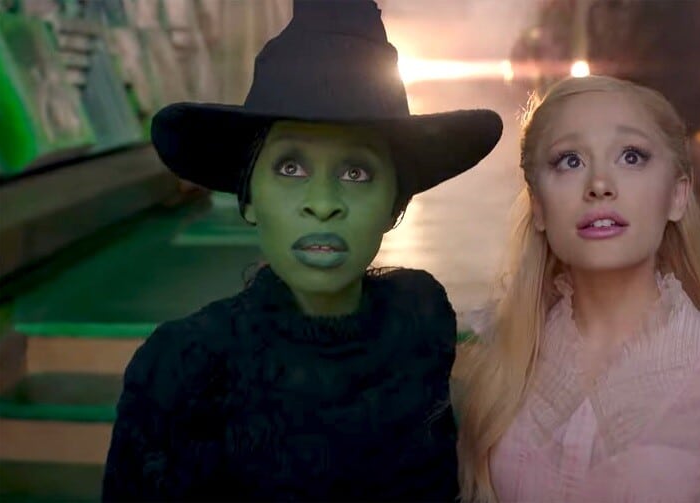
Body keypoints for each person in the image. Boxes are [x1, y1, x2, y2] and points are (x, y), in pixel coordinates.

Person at [102, 1, 502, 501]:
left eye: (356, 172)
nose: (323, 203)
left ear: (394, 205)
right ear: (249, 198)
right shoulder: (184, 366)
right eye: (290, 168)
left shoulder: (421, 321)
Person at [456, 75, 700, 502]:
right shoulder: (502, 359)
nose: (600, 184)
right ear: (539, 206)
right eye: (570, 160)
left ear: (677, 196)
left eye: (632, 156)